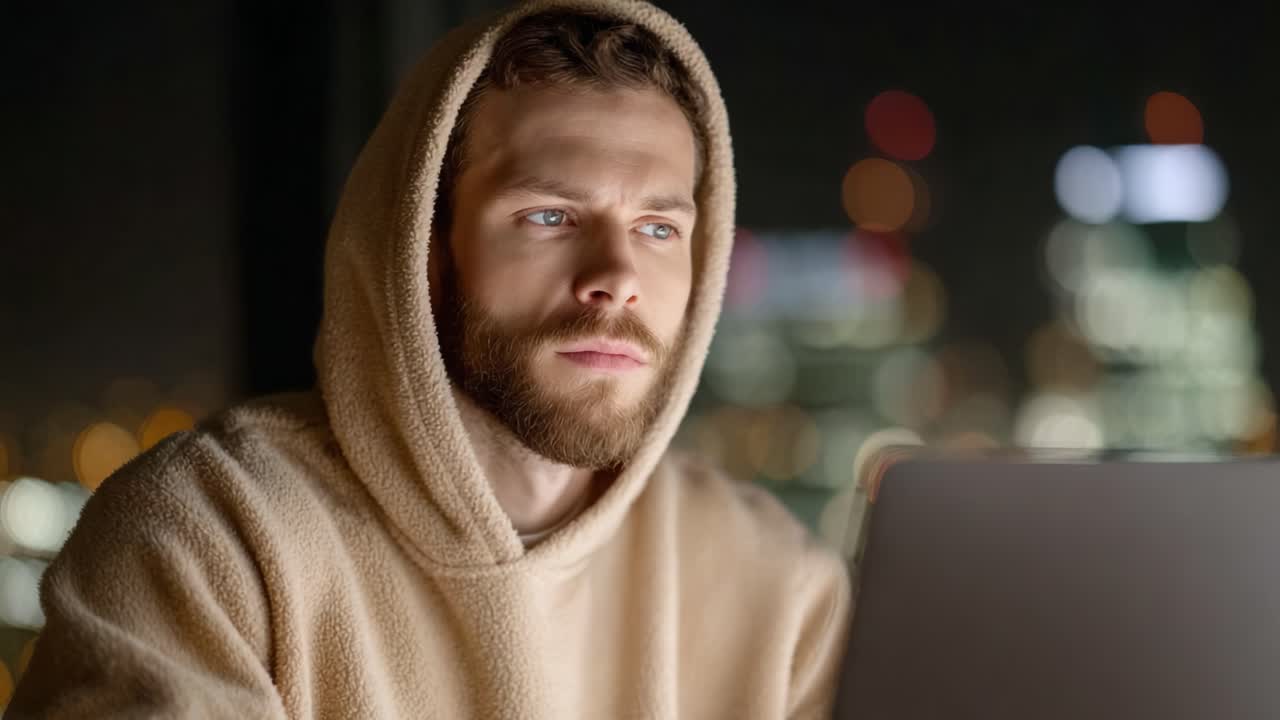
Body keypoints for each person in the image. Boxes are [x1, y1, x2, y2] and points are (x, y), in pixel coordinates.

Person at [9, 0, 851, 717]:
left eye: (658, 228)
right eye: (550, 216)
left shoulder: (779, 584)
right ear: (424, 246)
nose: (616, 279)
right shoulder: (209, 540)